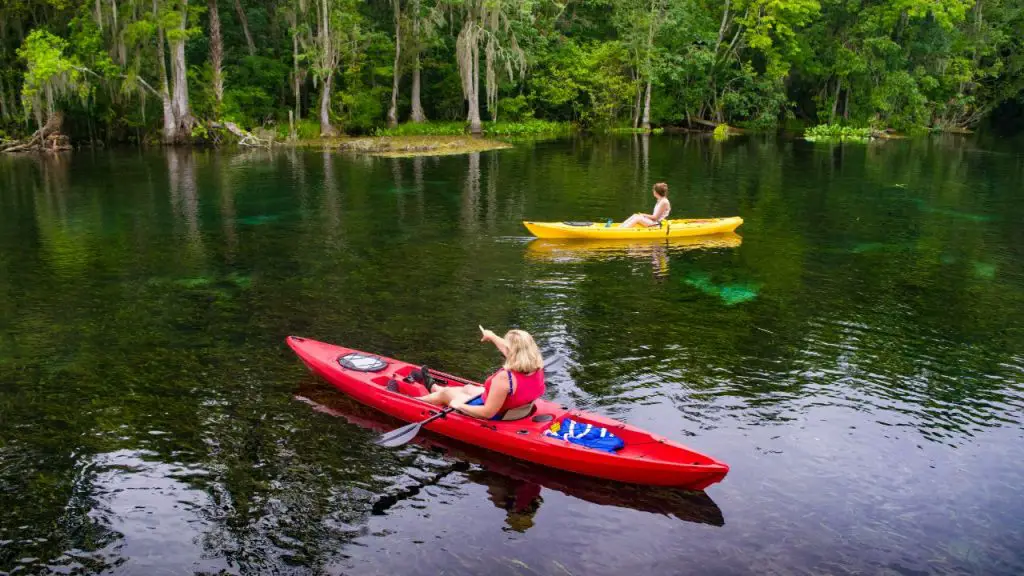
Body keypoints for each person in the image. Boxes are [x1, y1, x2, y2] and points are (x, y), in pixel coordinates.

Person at [419, 327, 545, 420]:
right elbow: (511, 348)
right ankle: (435, 388)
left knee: (446, 394)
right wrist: (491, 336)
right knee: (468, 388)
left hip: (494, 414)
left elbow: (487, 413)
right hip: (512, 408)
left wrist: (458, 405)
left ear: (510, 350)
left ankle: (412, 400)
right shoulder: (537, 365)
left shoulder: (505, 379)